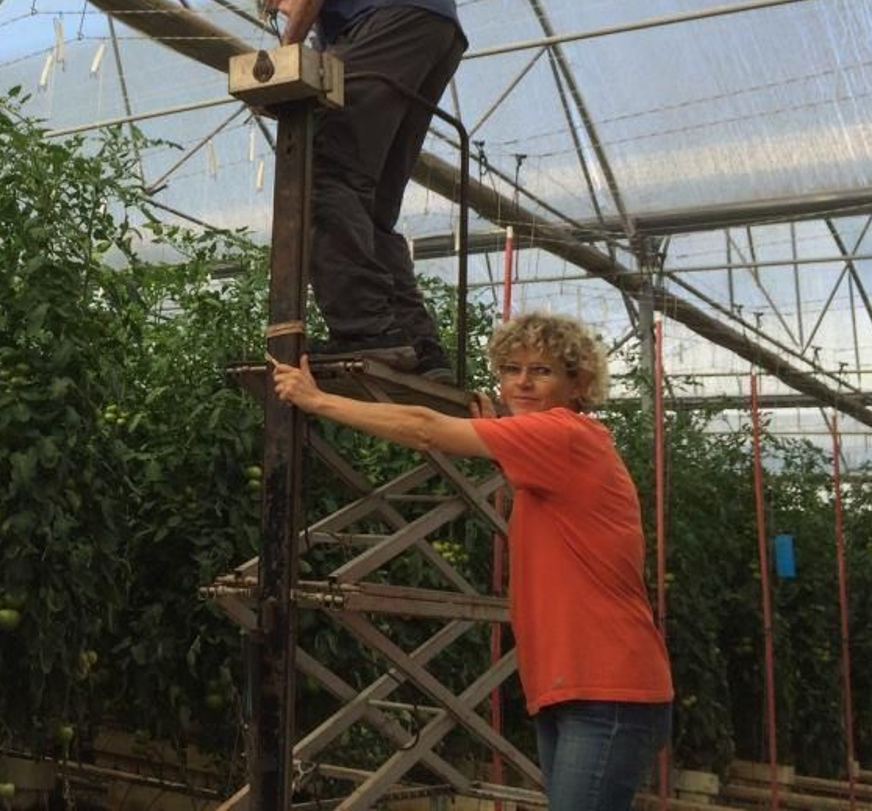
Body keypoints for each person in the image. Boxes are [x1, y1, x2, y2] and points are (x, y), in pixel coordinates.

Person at [271, 311, 673, 811]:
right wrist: (491, 427)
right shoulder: (549, 452)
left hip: (607, 689)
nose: (521, 381)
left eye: (542, 371)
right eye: (510, 368)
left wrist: (317, 400)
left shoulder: (566, 435)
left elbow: (425, 429)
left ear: (580, 384)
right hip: (574, 687)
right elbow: (520, 468)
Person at [249, 0, 466, 381]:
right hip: (425, 27)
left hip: (394, 21)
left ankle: (371, 332)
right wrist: (290, 1)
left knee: (320, 176)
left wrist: (284, 55)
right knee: (368, 205)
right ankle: (421, 353)